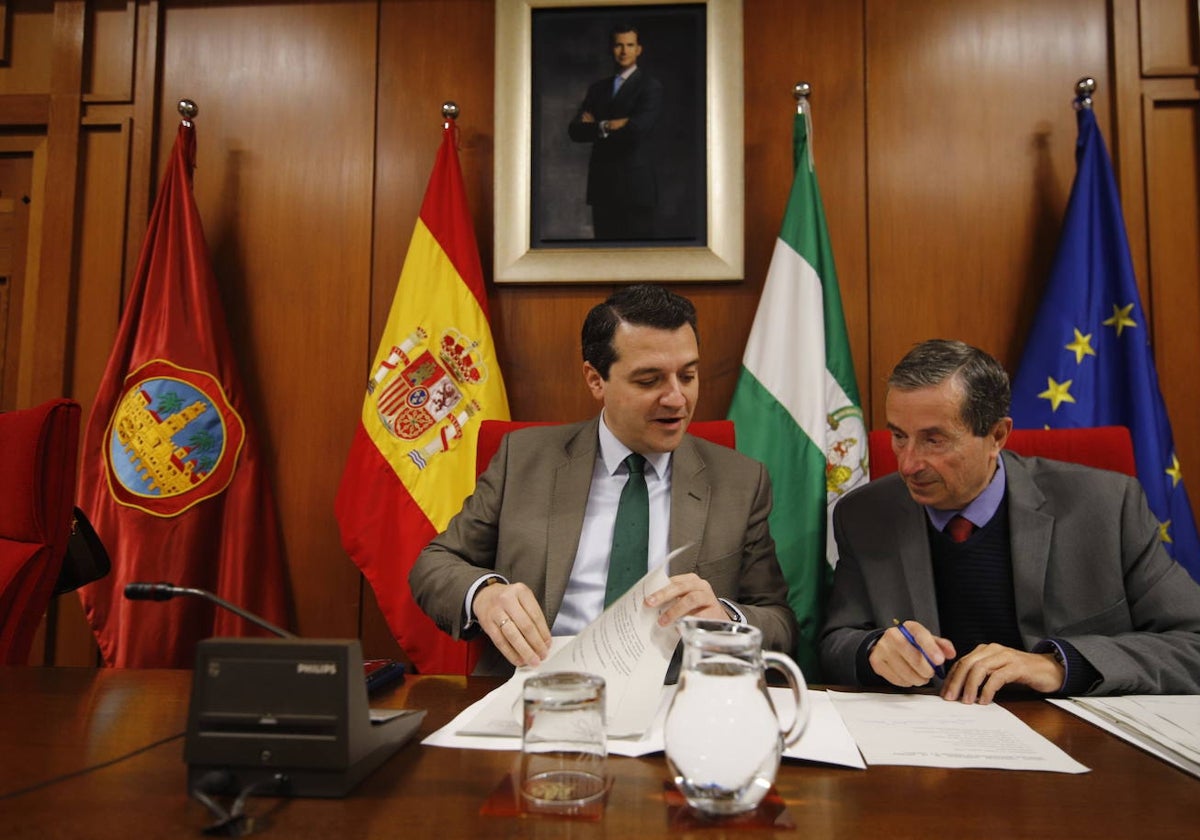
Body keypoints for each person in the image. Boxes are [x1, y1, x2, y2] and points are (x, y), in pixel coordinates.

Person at [410, 284, 797, 675]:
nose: (677, 399)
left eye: (688, 375)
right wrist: (485, 596)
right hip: (539, 692)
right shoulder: (524, 460)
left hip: (675, 701)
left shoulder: (740, 481)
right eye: (650, 381)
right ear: (596, 380)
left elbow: (779, 621)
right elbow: (434, 564)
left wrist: (725, 619)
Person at [819, 339, 1200, 701]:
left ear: (997, 435)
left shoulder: (1106, 507)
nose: (908, 463)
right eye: (899, 436)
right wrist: (873, 650)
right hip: (928, 743)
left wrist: (1058, 665)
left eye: (934, 440)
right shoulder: (865, 513)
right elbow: (835, 641)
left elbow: (1192, 643)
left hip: (1074, 741)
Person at [567, 23, 663, 240]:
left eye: (630, 45)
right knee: (604, 257)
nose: (624, 51)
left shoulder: (650, 86)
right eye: (618, 45)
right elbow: (575, 131)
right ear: (611, 49)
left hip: (635, 189)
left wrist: (595, 125)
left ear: (639, 49)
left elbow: (636, 130)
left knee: (637, 260)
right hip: (603, 187)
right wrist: (608, 125)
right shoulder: (597, 89)